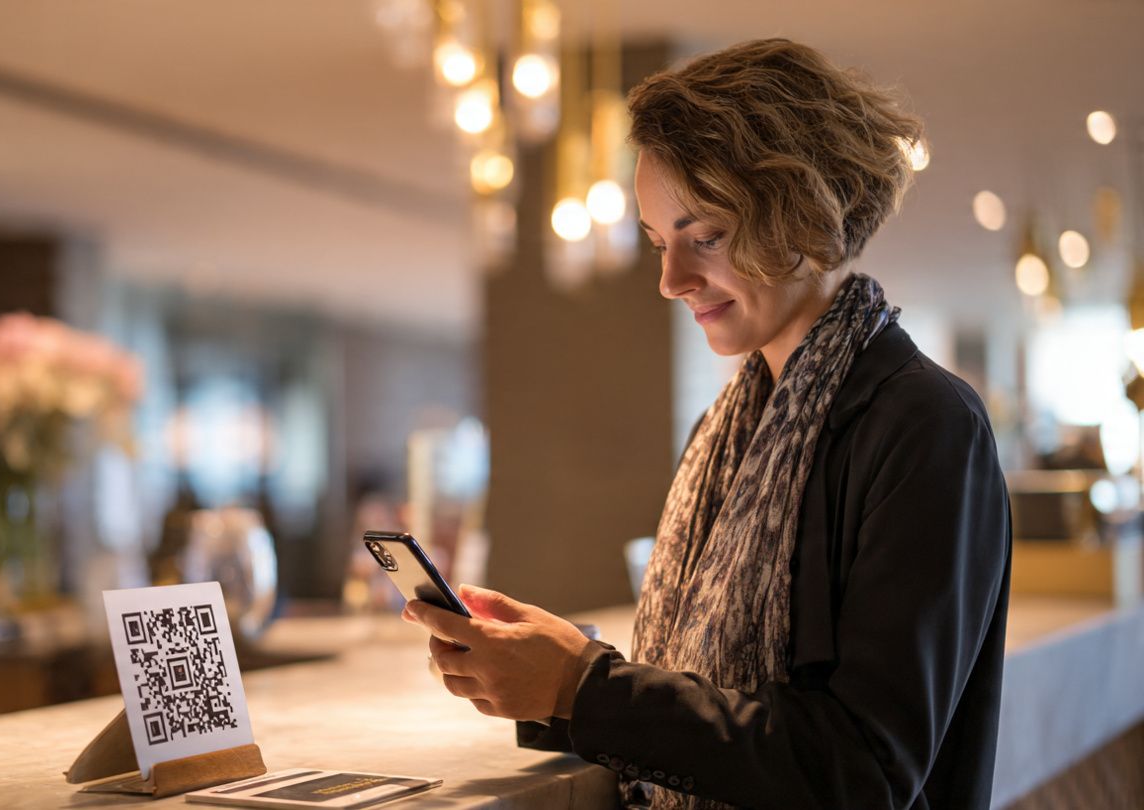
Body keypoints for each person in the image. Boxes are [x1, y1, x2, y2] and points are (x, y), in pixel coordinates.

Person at [404, 38, 1011, 810]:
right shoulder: (728, 432)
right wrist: (549, 679)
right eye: (661, 243)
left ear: (801, 208)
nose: (669, 280)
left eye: (706, 237)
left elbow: (863, 770)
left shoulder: (924, 425)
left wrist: (583, 687)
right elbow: (711, 706)